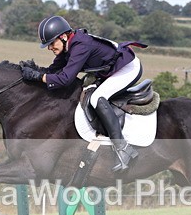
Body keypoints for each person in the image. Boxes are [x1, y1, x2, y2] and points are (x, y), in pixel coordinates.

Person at [20, 15, 146, 172]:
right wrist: (35, 72)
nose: (50, 47)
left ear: (64, 37)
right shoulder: (67, 46)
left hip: (127, 68)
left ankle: (123, 148)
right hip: (109, 70)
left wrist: (38, 77)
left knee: (96, 98)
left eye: (51, 43)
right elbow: (53, 71)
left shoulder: (80, 45)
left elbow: (65, 79)